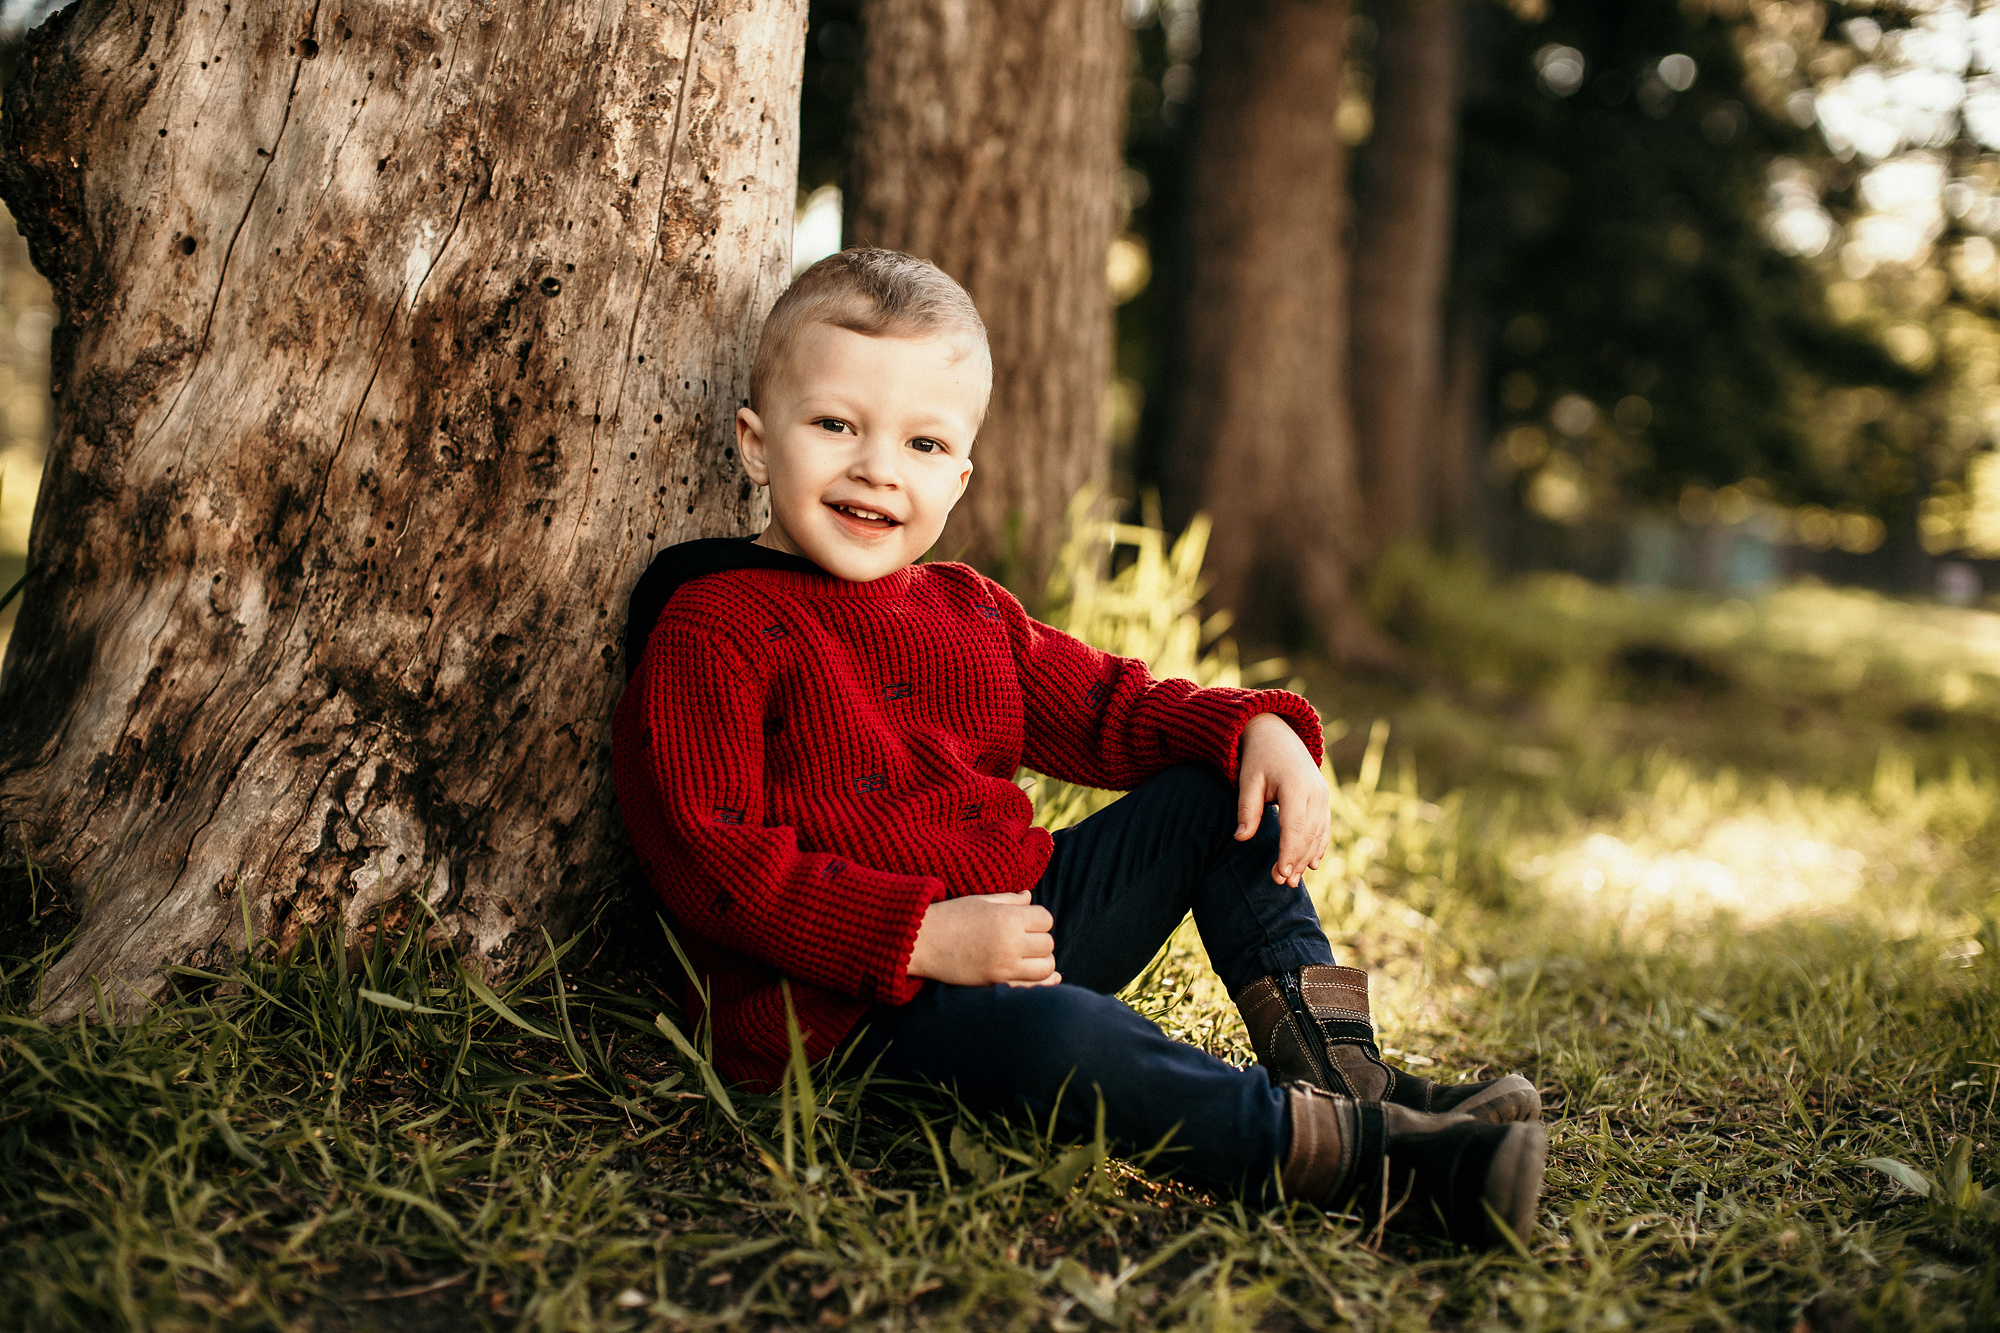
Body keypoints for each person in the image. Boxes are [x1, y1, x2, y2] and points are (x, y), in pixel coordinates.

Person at [613, 247, 1546, 1246]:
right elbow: (709, 860)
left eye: (923, 443)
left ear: (959, 476)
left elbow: (1113, 707)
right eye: (835, 425)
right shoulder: (712, 625)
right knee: (1071, 1036)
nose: (878, 468)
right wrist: (919, 937)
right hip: (843, 1009)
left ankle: (1344, 1074)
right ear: (757, 444)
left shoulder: (965, 608)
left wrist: (1255, 725)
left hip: (1014, 927)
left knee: (1214, 790)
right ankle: (1369, 1162)